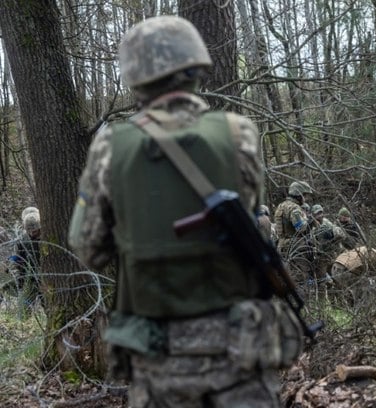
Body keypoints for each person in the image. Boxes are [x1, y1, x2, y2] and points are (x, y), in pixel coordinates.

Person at [67, 16, 302, 408]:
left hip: (158, 354)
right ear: (197, 66)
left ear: (135, 78)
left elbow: (89, 249)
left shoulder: (111, 146)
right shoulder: (238, 132)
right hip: (239, 346)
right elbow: (250, 215)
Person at [274, 181, 317, 282]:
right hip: (296, 247)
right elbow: (301, 228)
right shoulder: (294, 208)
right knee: (301, 277)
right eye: (305, 196)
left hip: (282, 245)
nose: (306, 199)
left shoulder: (281, 206)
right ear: (299, 195)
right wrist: (309, 220)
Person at [11, 209, 42, 315]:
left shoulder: (48, 236)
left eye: (35, 230)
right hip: (29, 279)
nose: (32, 233)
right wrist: (18, 277)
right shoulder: (22, 240)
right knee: (23, 312)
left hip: (47, 279)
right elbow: (16, 259)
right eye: (29, 230)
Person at [310, 204, 346, 281]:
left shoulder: (326, 222)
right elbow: (314, 242)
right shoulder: (311, 227)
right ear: (313, 215)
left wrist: (335, 233)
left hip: (333, 253)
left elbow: (340, 234)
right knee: (322, 279)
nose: (320, 216)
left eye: (321, 213)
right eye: (317, 214)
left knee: (338, 276)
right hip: (321, 256)